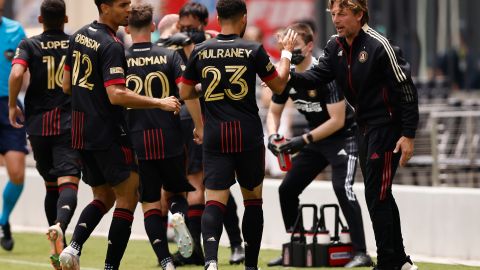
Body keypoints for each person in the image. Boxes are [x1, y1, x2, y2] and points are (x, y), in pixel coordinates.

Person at [285, 1, 419, 269]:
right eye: (333, 13)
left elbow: (406, 90)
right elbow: (314, 78)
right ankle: (399, 260)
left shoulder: (380, 45)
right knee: (380, 193)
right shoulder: (334, 46)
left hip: (386, 126)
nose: (336, 19)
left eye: (343, 13)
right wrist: (283, 69)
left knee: (376, 195)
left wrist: (408, 134)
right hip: (364, 127)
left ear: (359, 14)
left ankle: (387, 262)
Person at [59, 0, 181, 269]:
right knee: (128, 197)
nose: (128, 9)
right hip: (106, 131)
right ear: (104, 7)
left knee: (103, 197)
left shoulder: (78, 35)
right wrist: (160, 102)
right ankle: (110, 267)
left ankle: (73, 247)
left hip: (80, 130)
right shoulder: (112, 45)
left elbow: (66, 85)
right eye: (122, 4)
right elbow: (116, 95)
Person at [180, 0, 297, 268]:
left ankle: (211, 262)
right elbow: (278, 84)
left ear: (217, 18)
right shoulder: (253, 49)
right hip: (247, 135)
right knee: (252, 201)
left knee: (215, 201)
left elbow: (186, 93)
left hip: (215, 135)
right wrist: (287, 54)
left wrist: (202, 113)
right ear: (244, 18)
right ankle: (251, 265)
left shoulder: (200, 50)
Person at [264, 22, 371, 268]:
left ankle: (361, 252)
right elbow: (273, 113)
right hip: (315, 139)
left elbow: (337, 121)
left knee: (342, 188)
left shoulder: (325, 73)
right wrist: (272, 136)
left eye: (295, 48)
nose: (290, 53)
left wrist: (301, 141)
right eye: (286, 49)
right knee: (287, 189)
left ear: (310, 46)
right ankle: (297, 246)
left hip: (343, 137)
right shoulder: (286, 75)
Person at [165, 2, 246, 265]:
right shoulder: (171, 44)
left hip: (208, 120)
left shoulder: (211, 42)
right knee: (198, 187)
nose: (185, 29)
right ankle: (197, 248)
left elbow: (202, 81)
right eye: (182, 24)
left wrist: (191, 45)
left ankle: (232, 244)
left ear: (203, 23)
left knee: (212, 187)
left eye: (191, 26)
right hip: (179, 122)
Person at [124, 4, 200, 269]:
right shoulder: (169, 55)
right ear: (154, 27)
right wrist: (199, 126)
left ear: (126, 28)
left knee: (150, 202)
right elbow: (187, 92)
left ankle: (165, 260)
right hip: (170, 136)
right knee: (176, 193)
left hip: (137, 139)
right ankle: (178, 216)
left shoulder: (120, 58)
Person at [8, 0, 80, 268]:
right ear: (65, 18)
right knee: (69, 182)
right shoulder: (75, 43)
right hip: (68, 122)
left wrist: (13, 103)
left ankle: (55, 240)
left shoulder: (29, 44)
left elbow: (16, 72)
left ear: (40, 19)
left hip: (38, 126)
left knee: (51, 185)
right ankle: (61, 225)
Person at [0, 0, 27, 252]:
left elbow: (24, 72)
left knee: (17, 174)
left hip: (8, 105)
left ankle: (3, 220)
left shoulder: (15, 30)